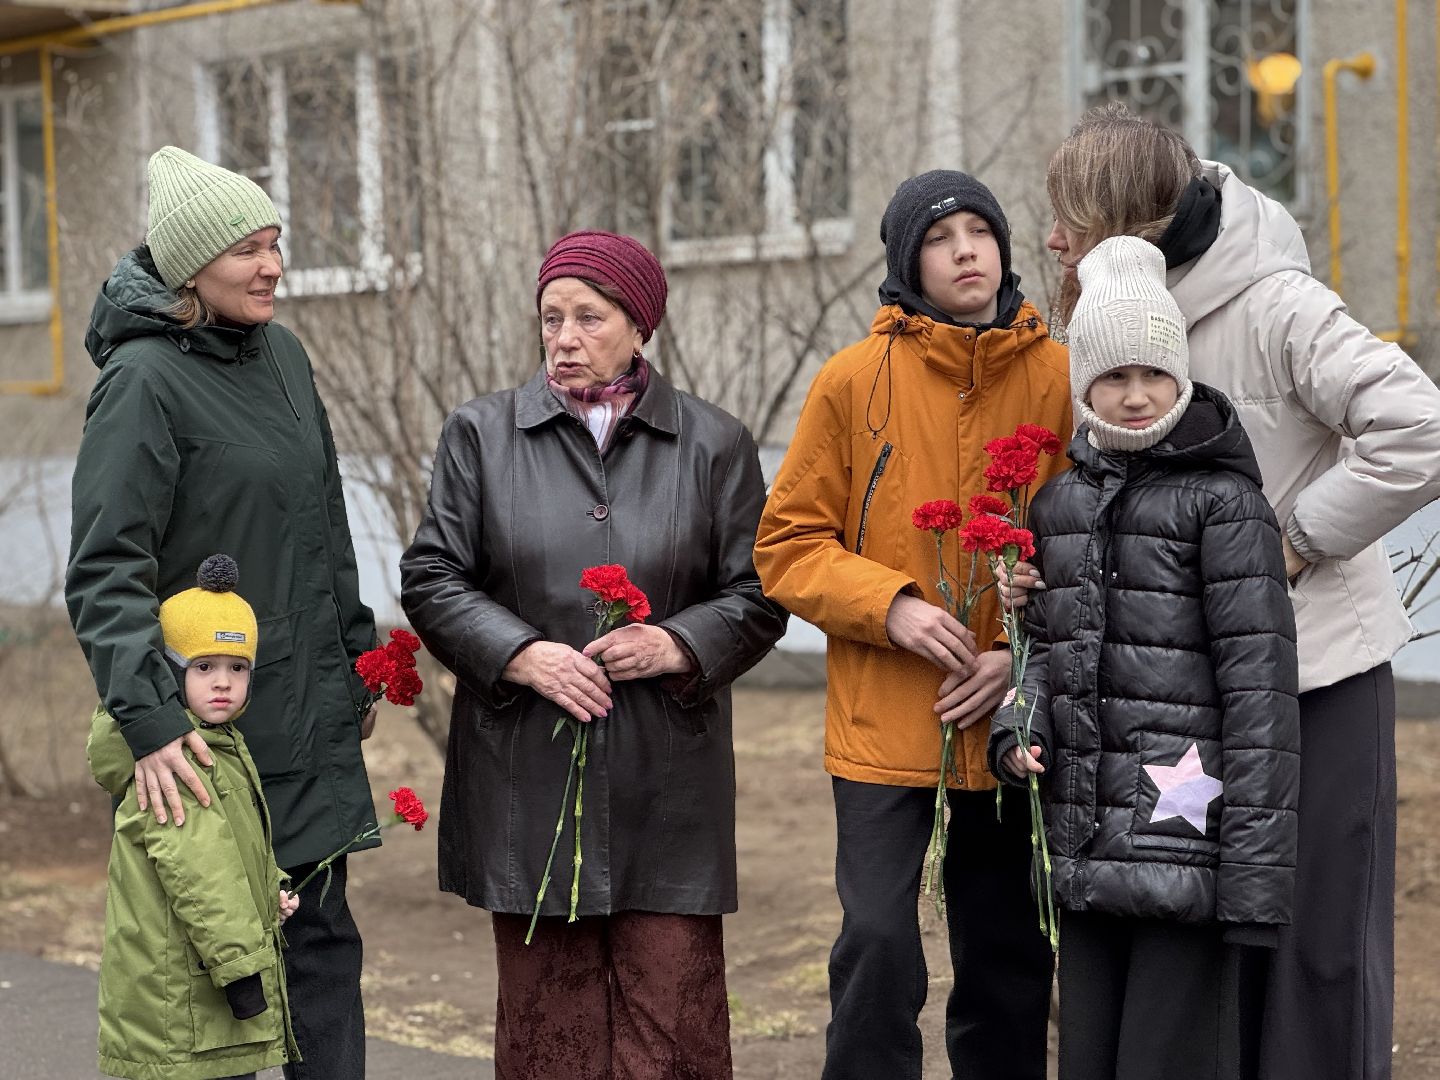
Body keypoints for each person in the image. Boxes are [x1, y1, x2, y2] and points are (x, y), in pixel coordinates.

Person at [1038, 103, 1440, 1080]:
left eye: (1071, 217)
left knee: (1316, 945)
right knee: (1213, 946)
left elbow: (1418, 427)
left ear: (1131, 219)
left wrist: (1295, 539)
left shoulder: (1277, 305)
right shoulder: (1124, 317)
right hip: (1191, 690)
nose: (1050, 238)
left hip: (1320, 673)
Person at [399, 229, 788, 1079]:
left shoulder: (714, 444)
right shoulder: (479, 435)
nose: (565, 338)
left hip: (668, 783)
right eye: (550, 318)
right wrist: (521, 653)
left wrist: (677, 642)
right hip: (528, 777)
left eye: (589, 317)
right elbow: (432, 578)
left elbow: (760, 595)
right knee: (549, 1039)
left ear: (639, 325)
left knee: (675, 1033)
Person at [66, 146, 379, 1080]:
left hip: (306, 711)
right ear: (190, 265)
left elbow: (323, 516)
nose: (272, 265)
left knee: (323, 950)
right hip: (204, 737)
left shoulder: (284, 354)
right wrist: (152, 722)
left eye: (276, 243)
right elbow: (105, 571)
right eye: (248, 248)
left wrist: (354, 656)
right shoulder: (142, 382)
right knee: (218, 983)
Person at [753, 171, 1072, 1080]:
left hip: (1015, 728)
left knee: (1010, 961)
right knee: (880, 947)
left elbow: (1094, 545)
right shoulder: (853, 381)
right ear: (907, 260)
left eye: (982, 230)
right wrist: (889, 606)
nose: (967, 250)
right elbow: (786, 544)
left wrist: (1019, 657)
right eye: (941, 238)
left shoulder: (1060, 374)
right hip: (886, 727)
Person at [988, 236, 1300, 1080]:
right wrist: (1015, 727)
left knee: (1167, 1059)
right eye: (1112, 377)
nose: (1134, 397)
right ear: (1082, 384)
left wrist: (1256, 889)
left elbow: (1261, 700)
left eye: (1153, 374)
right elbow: (1045, 651)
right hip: (1084, 840)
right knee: (1086, 1057)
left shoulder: (1226, 505)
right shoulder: (1059, 504)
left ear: (1181, 376)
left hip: (1182, 838)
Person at [87, 554, 302, 1080]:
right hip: (187, 997)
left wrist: (265, 887)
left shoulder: (217, 745)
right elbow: (199, 871)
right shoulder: (175, 759)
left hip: (190, 989)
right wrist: (242, 973)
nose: (223, 683)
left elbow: (230, 850)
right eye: (203, 667)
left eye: (238, 668)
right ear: (169, 670)